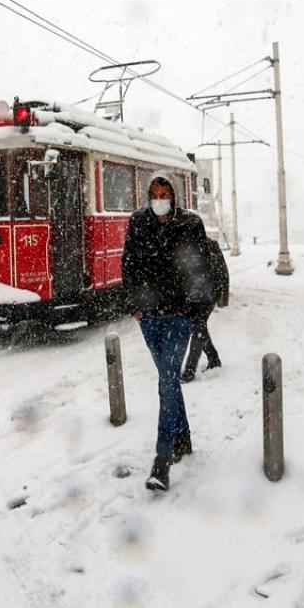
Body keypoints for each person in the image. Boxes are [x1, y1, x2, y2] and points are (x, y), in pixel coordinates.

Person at [122, 176, 215, 491]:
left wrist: (191, 308)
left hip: (178, 316)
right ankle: (184, 439)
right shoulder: (138, 222)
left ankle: (161, 463)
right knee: (171, 380)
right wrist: (133, 303)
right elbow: (129, 264)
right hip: (148, 317)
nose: (159, 199)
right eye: (154, 195)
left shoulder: (190, 224)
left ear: (174, 197)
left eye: (165, 194)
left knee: (166, 381)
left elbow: (200, 266)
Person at [181, 237, 229, 383]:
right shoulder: (183, 246)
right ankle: (213, 359)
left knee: (198, 329)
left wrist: (222, 296)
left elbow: (222, 271)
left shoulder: (210, 245)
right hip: (191, 297)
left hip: (207, 297)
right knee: (199, 328)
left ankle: (190, 371)